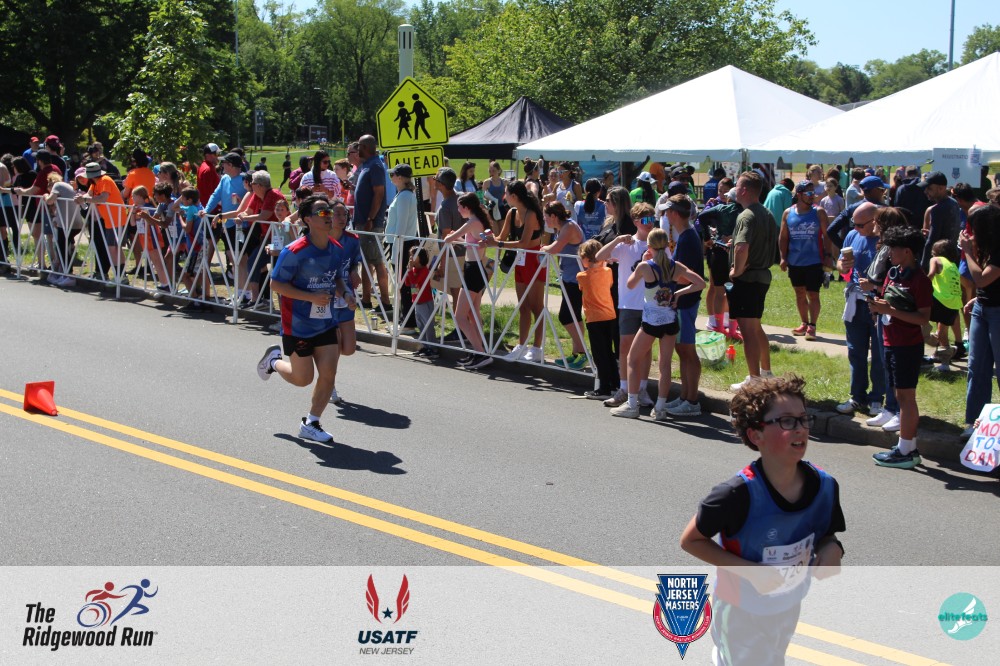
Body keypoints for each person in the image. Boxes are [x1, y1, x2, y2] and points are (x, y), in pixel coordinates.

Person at [680, 374, 845, 666]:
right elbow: (691, 540)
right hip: (740, 608)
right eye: (786, 421)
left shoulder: (824, 486)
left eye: (803, 419)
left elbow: (827, 535)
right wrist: (751, 572)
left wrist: (833, 549)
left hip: (788, 603)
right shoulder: (735, 494)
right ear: (756, 435)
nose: (800, 428)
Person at [256, 194, 346, 444]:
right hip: (297, 324)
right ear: (307, 219)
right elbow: (276, 284)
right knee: (302, 379)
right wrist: (310, 297)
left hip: (326, 322)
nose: (328, 216)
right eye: (322, 212)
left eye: (329, 212)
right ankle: (274, 362)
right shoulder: (294, 252)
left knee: (329, 373)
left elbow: (338, 277)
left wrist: (346, 293)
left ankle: (311, 423)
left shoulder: (336, 249)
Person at [609, 225, 705, 420]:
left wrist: (642, 263)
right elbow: (700, 283)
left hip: (651, 321)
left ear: (649, 246)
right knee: (665, 364)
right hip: (670, 320)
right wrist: (678, 293)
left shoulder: (646, 266)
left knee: (633, 359)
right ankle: (660, 407)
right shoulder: (676, 266)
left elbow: (630, 284)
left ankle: (632, 404)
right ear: (667, 245)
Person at [868, 226, 932, 469]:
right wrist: (878, 305)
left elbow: (923, 318)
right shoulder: (893, 273)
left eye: (893, 248)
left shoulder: (920, 280)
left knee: (906, 397)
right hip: (890, 341)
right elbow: (888, 302)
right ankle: (908, 447)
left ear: (907, 251)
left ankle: (905, 450)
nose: (889, 253)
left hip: (907, 345)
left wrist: (889, 310)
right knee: (899, 395)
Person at [834, 202, 892, 421]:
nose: (856, 229)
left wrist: (875, 286)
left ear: (874, 221)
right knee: (855, 351)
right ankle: (857, 396)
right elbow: (840, 263)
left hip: (877, 303)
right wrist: (843, 266)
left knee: (879, 354)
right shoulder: (852, 235)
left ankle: (877, 398)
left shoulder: (885, 240)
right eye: (854, 224)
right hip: (855, 302)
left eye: (860, 225)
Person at [595, 205, 657, 408]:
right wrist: (617, 240)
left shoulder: (658, 244)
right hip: (628, 303)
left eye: (652, 219)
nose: (650, 224)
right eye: (646, 220)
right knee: (624, 347)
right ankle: (623, 389)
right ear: (636, 221)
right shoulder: (627, 244)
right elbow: (599, 257)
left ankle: (642, 389)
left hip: (649, 304)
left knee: (645, 350)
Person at [482, 180, 548, 362]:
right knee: (523, 306)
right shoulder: (511, 213)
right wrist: (488, 238)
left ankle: (537, 348)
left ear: (514, 196)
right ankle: (522, 345)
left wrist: (498, 244)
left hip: (533, 259)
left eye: (506, 194)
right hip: (520, 260)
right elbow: (500, 237)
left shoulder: (531, 214)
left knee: (536, 307)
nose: (504, 197)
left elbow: (524, 243)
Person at [729, 171, 778, 391]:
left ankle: (754, 379)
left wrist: (736, 271)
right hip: (762, 276)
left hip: (748, 279)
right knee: (756, 327)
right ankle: (766, 372)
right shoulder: (767, 213)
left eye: (737, 185)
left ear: (744, 190)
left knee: (747, 331)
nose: (735, 188)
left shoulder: (746, 215)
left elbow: (742, 247)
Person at [660, 194, 706, 417]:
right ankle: (685, 396)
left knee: (687, 350)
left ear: (674, 214)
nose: (665, 215)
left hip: (685, 303)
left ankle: (692, 400)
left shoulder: (687, 238)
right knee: (682, 349)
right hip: (683, 302)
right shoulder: (687, 235)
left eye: (667, 211)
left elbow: (684, 276)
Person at [959, 204, 1000, 440]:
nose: (969, 232)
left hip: (997, 312)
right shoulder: (986, 247)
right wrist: (977, 298)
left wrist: (968, 252)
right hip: (982, 308)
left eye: (973, 227)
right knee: (977, 369)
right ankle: (975, 423)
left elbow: (982, 279)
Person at [442, 193, 494, 370]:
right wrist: (458, 239)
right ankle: (479, 350)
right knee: (473, 314)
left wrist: (452, 237)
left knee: (460, 317)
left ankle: (480, 352)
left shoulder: (471, 222)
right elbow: (473, 242)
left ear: (467, 207)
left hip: (474, 271)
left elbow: (447, 239)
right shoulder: (477, 221)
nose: (458, 210)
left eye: (459, 207)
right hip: (475, 269)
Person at [779, 181, 831, 340]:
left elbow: (827, 236)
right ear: (799, 195)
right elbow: (783, 237)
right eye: (808, 193)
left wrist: (828, 256)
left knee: (813, 294)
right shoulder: (788, 213)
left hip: (814, 261)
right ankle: (804, 323)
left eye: (813, 193)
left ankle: (812, 326)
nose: (812, 196)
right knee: (799, 293)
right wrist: (783, 257)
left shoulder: (819, 212)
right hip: (795, 261)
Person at [541, 201, 586, 369]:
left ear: (554, 216)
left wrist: (543, 248)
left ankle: (583, 353)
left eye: (546, 216)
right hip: (569, 277)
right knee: (574, 317)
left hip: (576, 279)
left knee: (566, 317)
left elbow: (555, 248)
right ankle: (576, 355)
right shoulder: (561, 228)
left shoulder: (569, 227)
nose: (544, 220)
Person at [575, 240, 618, 399]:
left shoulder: (582, 276)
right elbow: (608, 281)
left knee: (599, 354)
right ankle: (615, 384)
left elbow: (581, 287)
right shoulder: (608, 272)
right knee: (609, 352)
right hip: (609, 315)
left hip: (594, 318)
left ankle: (604, 388)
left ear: (587, 258)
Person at [353, 136, 391, 315]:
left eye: (359, 146)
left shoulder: (375, 165)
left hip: (370, 223)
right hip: (363, 222)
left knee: (376, 261)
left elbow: (379, 193)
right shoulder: (367, 165)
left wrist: (370, 218)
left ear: (365, 147)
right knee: (366, 261)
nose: (357, 149)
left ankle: (385, 301)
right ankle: (366, 299)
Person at [698, 178, 740, 339]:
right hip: (735, 254)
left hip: (718, 251)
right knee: (733, 291)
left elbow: (702, 217)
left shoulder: (720, 208)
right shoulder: (744, 211)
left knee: (718, 290)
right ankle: (732, 327)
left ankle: (718, 326)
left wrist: (707, 237)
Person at [74, 161, 127, 283]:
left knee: (113, 248)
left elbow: (103, 198)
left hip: (116, 218)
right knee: (113, 248)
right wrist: (81, 197)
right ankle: (120, 276)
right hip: (109, 219)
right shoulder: (95, 183)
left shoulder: (105, 180)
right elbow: (89, 194)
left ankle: (120, 276)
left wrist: (85, 199)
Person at [384, 163, 420, 329]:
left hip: (402, 244)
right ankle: (404, 319)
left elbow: (401, 226)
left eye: (393, 175)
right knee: (402, 284)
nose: (391, 177)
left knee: (403, 284)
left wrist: (396, 251)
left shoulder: (405, 196)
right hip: (400, 243)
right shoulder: (403, 195)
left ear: (399, 177)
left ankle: (408, 322)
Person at [927, 239, 963, 371]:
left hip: (941, 300)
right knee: (942, 331)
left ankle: (942, 355)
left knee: (920, 321)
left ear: (936, 252)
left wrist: (920, 285)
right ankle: (943, 358)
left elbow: (931, 274)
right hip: (954, 302)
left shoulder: (935, 260)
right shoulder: (953, 265)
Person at [918, 171, 961, 273]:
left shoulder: (937, 209)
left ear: (941, 188)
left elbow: (931, 241)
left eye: (929, 188)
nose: (926, 191)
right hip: (952, 257)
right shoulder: (953, 203)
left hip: (939, 260)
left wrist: (923, 266)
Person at [128, 185, 169, 291]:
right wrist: (133, 211)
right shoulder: (137, 208)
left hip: (152, 236)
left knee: (157, 260)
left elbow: (151, 221)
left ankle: (165, 284)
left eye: (133, 196)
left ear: (140, 196)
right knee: (155, 261)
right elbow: (132, 223)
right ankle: (164, 284)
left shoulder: (148, 207)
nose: (132, 198)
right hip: (144, 237)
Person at [405, 247, 437, 357]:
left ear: (421, 257)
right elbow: (408, 283)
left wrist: (410, 272)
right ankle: (425, 346)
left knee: (428, 325)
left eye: (414, 255)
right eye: (410, 255)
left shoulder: (424, 271)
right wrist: (409, 271)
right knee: (421, 325)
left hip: (425, 301)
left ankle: (433, 348)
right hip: (416, 301)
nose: (411, 257)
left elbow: (415, 282)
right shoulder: (413, 270)